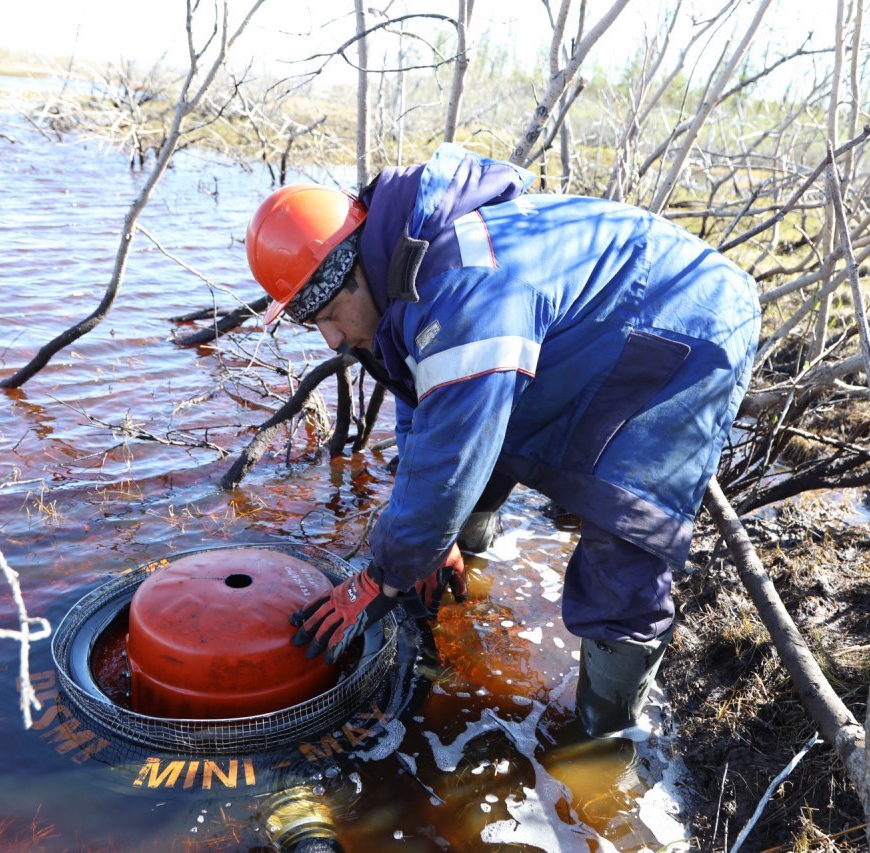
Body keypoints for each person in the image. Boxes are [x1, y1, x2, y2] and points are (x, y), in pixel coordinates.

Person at [245, 144, 760, 738]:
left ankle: (603, 745)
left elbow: (452, 457)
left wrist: (379, 576)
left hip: (688, 320)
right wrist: (428, 542)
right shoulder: (402, 279)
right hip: (598, 324)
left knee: (624, 530)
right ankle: (462, 582)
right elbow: (426, 412)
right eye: (316, 325)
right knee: (469, 464)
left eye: (332, 312)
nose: (333, 338)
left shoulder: (460, 288)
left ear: (358, 269)